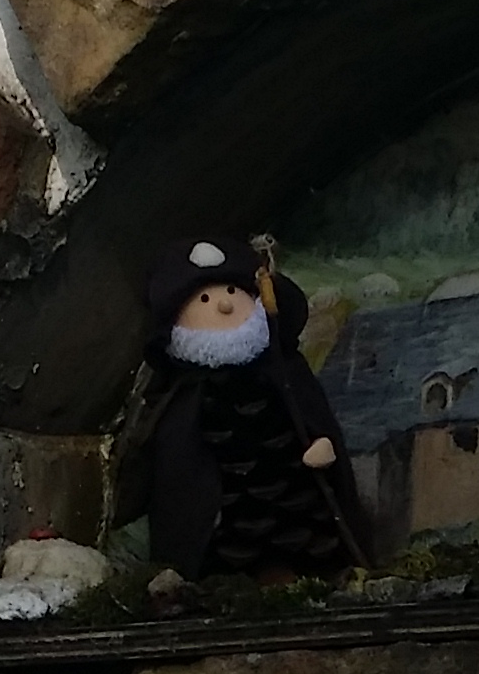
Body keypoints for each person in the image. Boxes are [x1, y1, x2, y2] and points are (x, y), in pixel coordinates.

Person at [126, 238, 376, 581]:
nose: (225, 305)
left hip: (305, 537)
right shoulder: (181, 396)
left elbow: (313, 414)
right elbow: (169, 465)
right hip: (223, 555)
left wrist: (321, 443)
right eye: (205, 299)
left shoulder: (285, 372)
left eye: (233, 290)